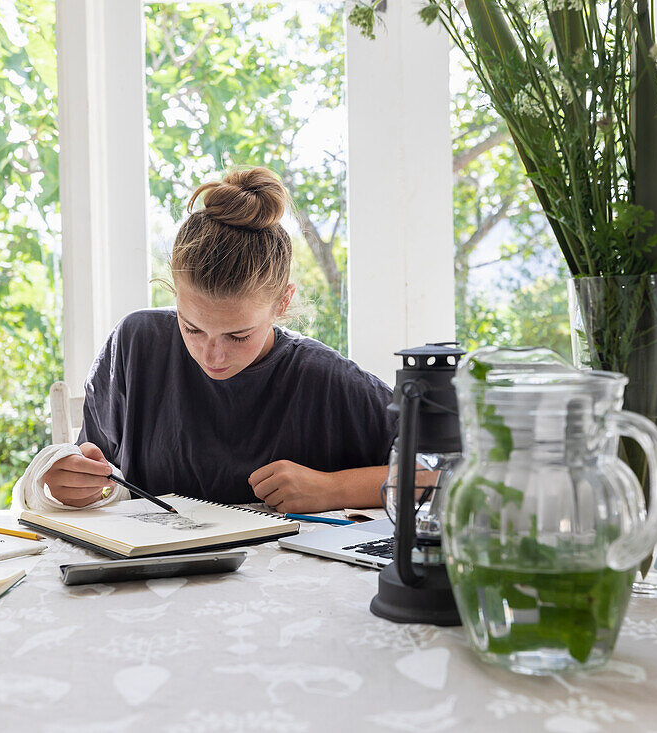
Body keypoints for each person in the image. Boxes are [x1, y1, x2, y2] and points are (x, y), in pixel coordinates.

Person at [42, 167, 396, 513]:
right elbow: (90, 470)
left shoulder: (324, 378)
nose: (212, 355)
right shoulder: (137, 344)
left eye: (238, 336)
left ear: (282, 303)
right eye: (191, 328)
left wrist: (332, 489)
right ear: (175, 296)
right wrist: (72, 483)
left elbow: (442, 471)